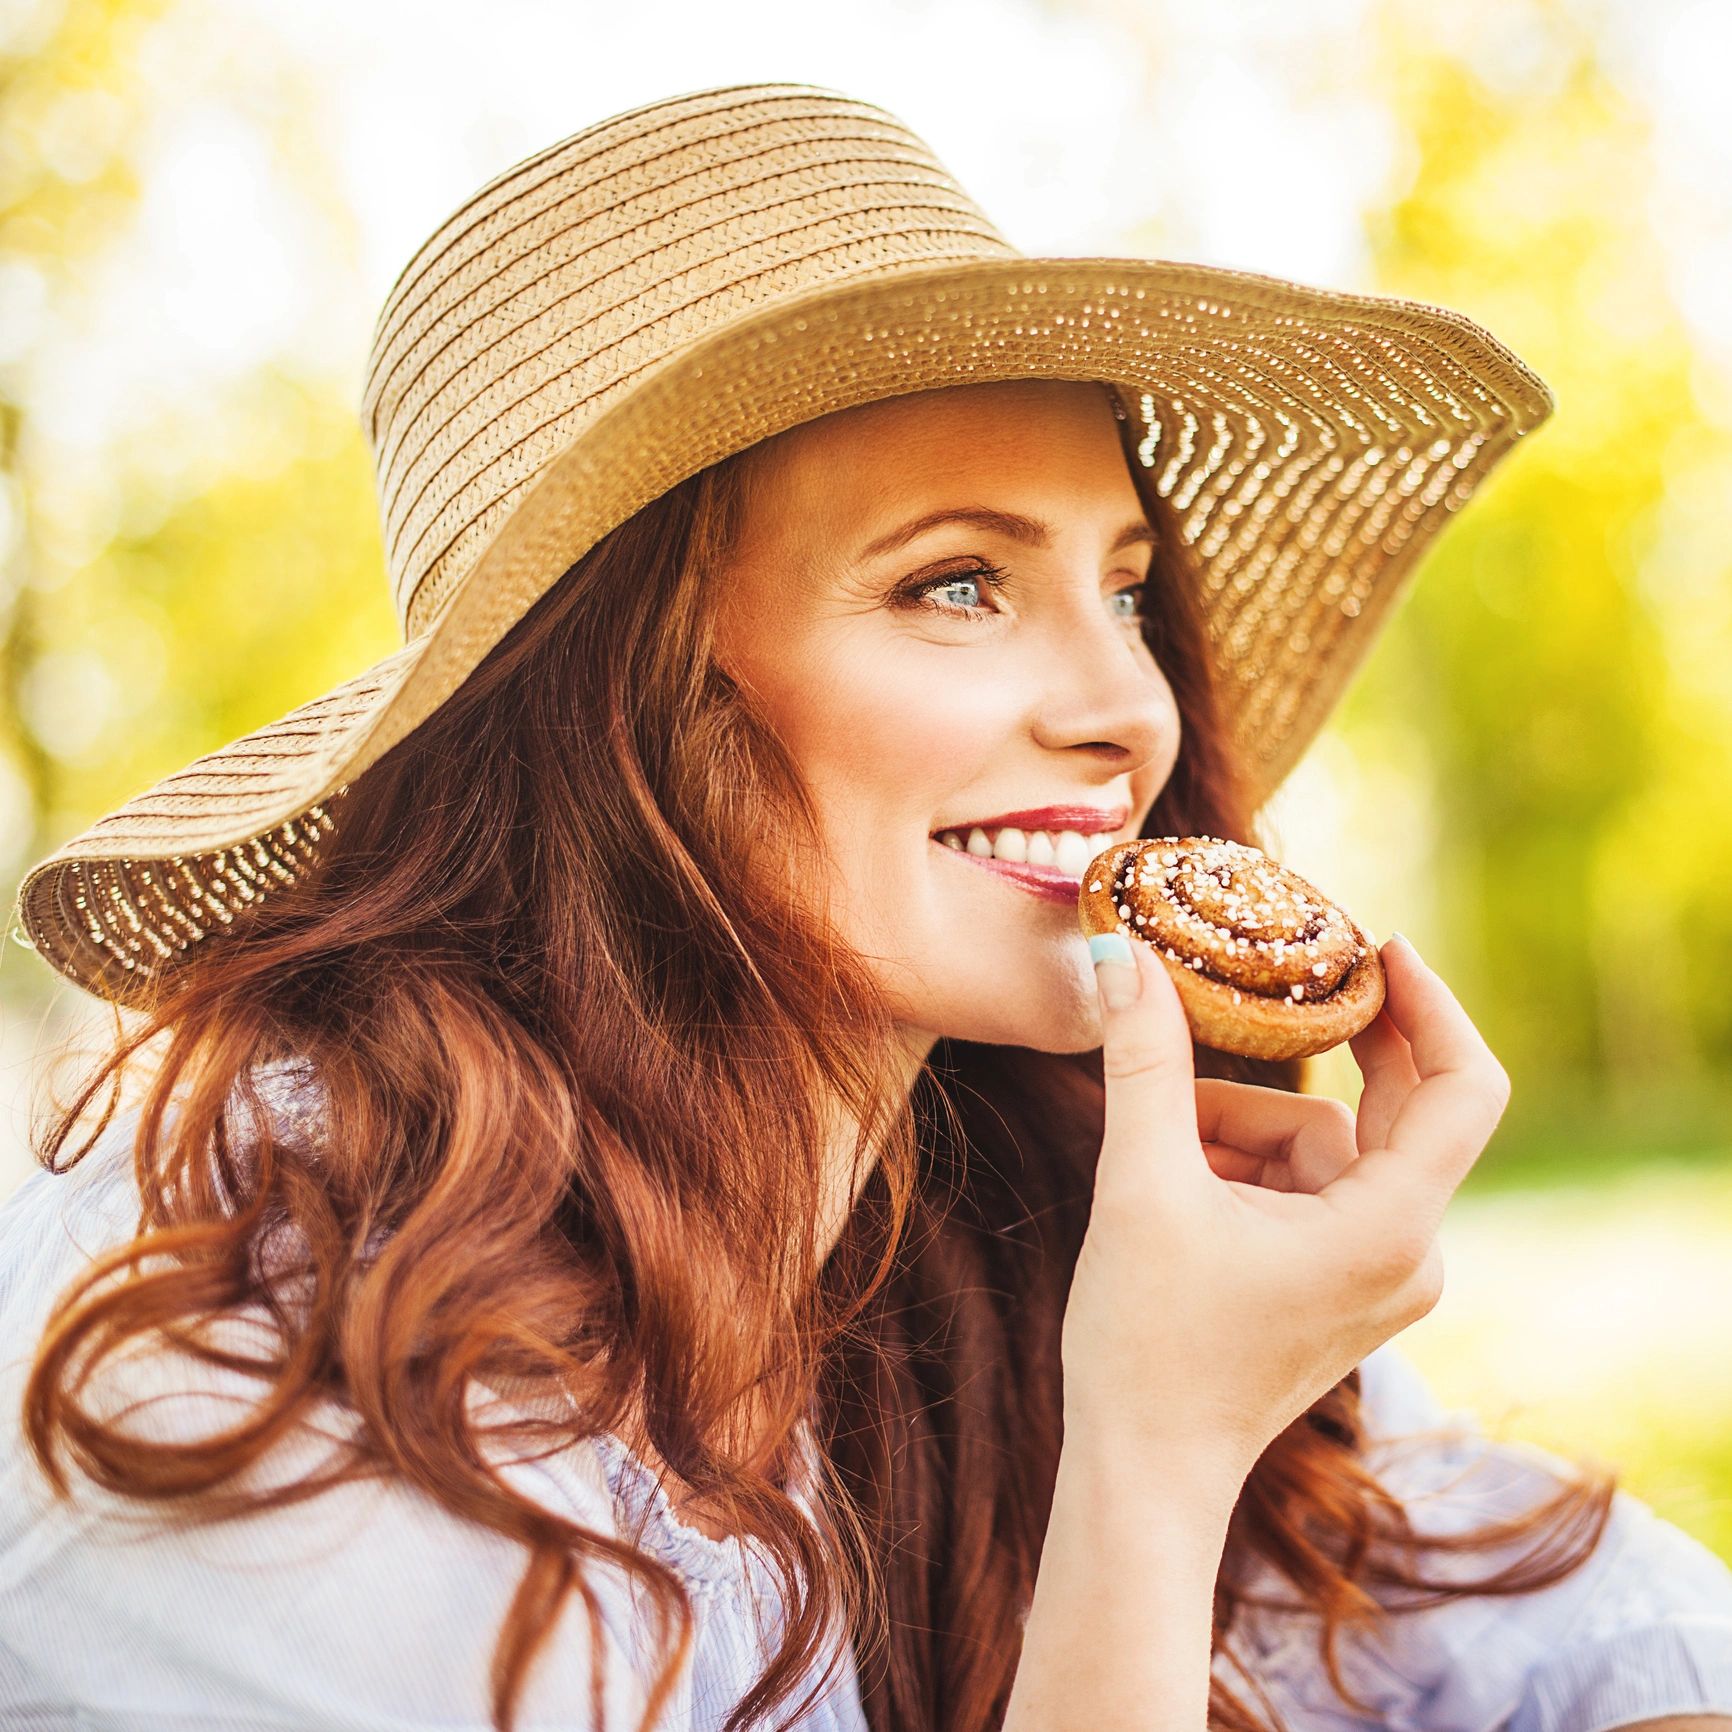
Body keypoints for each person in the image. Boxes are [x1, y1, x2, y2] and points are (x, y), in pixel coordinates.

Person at [3, 81, 1730, 1732]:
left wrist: (1198, 1398)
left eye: (1126, 591)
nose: (1131, 712)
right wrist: (1156, 1460)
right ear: (624, 706)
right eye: (956, 582)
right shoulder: (265, 1377)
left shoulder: (1040, 1218)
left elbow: (1588, 1633)